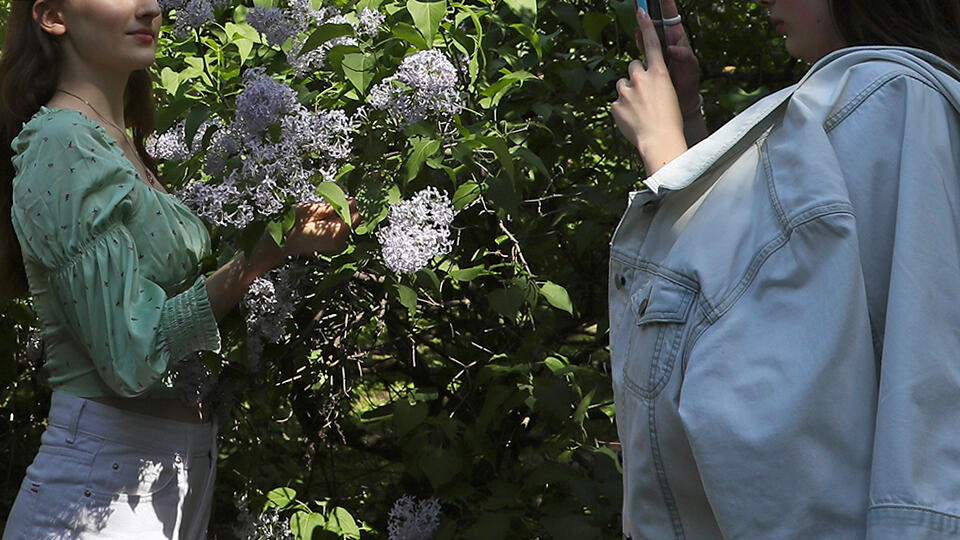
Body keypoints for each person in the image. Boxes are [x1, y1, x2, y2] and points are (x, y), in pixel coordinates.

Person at [0, 0, 362, 537]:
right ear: (53, 17)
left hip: (169, 477)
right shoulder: (63, 143)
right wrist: (255, 260)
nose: (149, 7)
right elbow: (130, 353)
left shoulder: (121, 146)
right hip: (101, 488)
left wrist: (292, 240)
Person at [609, 0, 960, 538]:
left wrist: (665, 153)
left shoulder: (890, 98)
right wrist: (692, 129)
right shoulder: (864, 108)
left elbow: (763, 403)